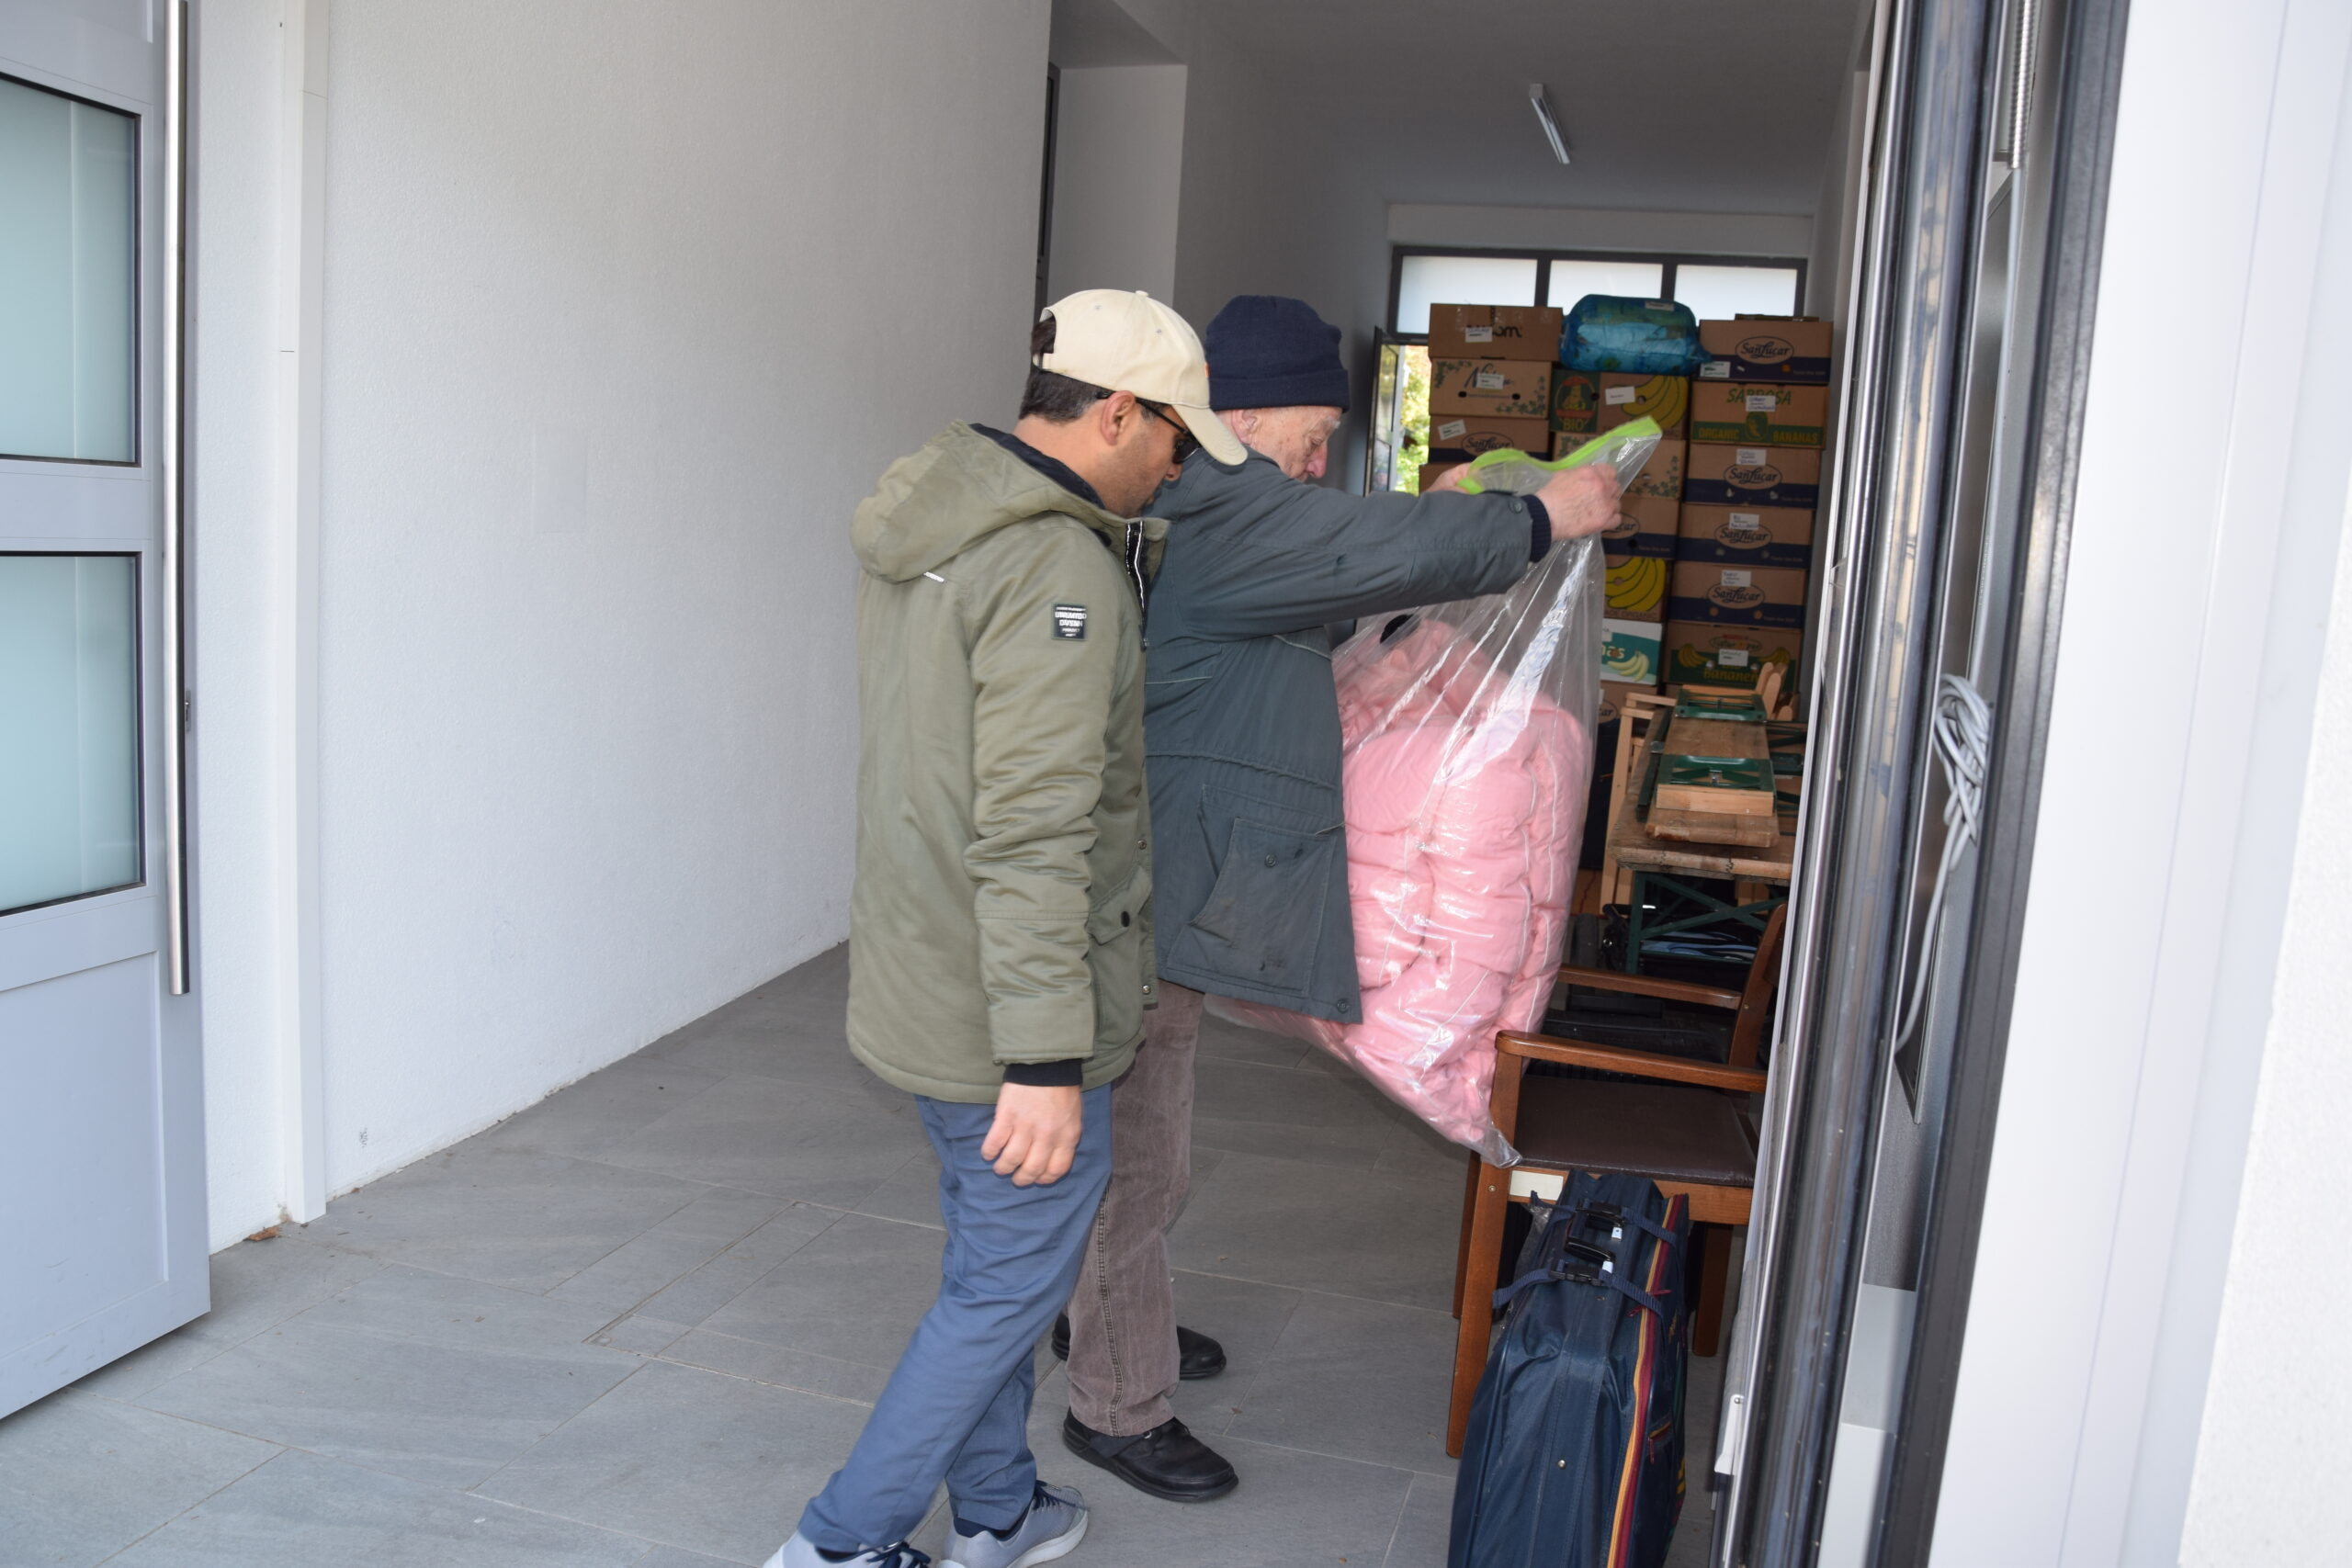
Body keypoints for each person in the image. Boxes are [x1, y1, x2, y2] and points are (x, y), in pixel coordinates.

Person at [1053, 294, 1619, 1503]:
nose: (1320, 461)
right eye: (1314, 437)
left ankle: (1108, 1313)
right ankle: (1116, 1400)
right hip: (1149, 889)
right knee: (1138, 1161)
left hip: (1165, 867)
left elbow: (1336, 568)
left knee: (1136, 1148)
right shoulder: (1223, 503)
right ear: (1247, 416)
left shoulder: (1209, 501)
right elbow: (1358, 547)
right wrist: (1539, 517)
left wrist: (1448, 513)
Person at [768, 289, 1247, 1568]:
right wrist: (1041, 1061)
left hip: (928, 968)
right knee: (1001, 1292)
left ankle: (998, 1511)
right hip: (1006, 1011)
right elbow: (1036, 832)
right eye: (1175, 438)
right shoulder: (1053, 566)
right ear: (1117, 413)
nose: (1177, 467)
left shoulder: (944, 522)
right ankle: (842, 1545)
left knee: (1000, 1274)